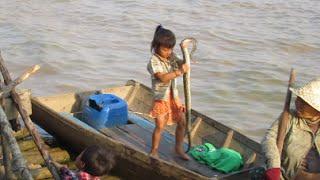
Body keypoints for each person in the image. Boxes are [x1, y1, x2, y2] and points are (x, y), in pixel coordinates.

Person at [261, 78, 320, 180]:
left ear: (316, 109)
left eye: (304, 103)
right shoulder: (289, 117)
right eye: (298, 99)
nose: (298, 103)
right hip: (289, 175)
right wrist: (274, 167)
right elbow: (269, 139)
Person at [147, 25, 190, 160]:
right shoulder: (153, 61)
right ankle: (154, 150)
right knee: (160, 125)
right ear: (155, 46)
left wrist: (185, 52)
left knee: (182, 122)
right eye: (164, 49)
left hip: (173, 96)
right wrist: (179, 71)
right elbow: (163, 78)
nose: (168, 52)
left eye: (170, 49)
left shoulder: (171, 56)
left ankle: (178, 148)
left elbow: (182, 62)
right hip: (161, 98)